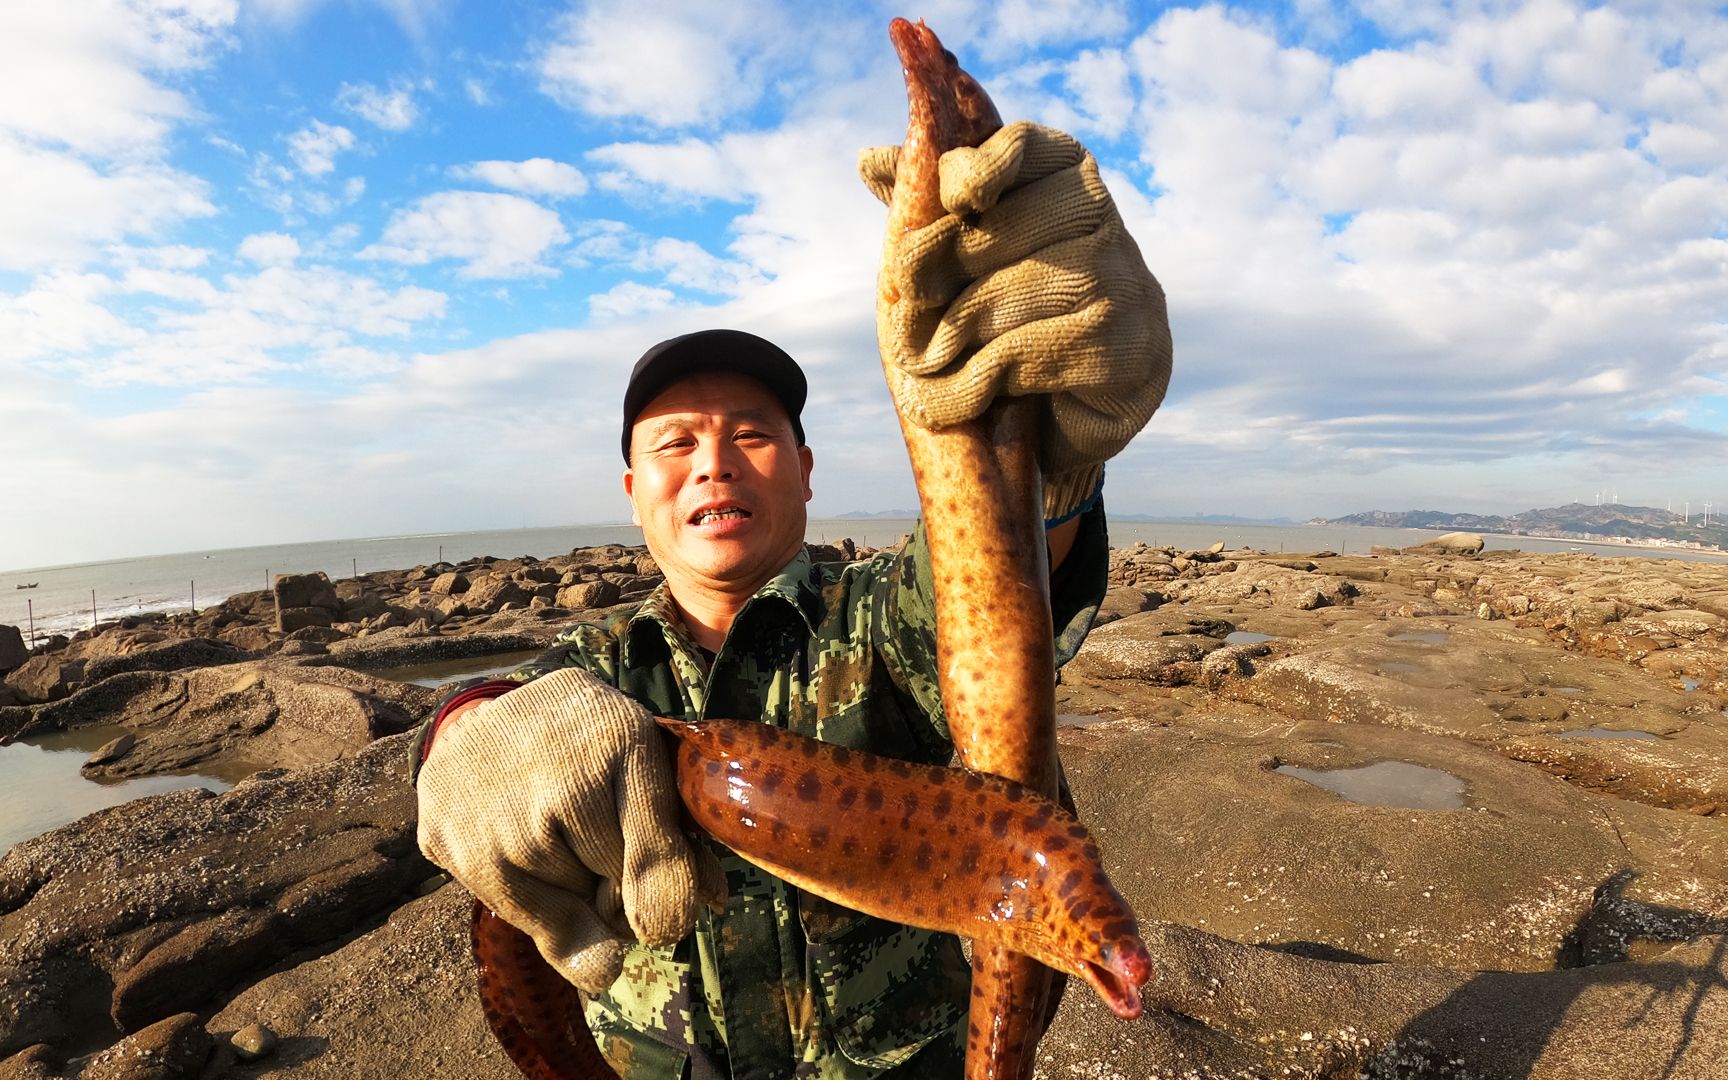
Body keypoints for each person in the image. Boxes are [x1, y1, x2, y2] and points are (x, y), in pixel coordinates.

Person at [414, 121, 1172, 1078]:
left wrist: (1045, 468)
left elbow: (985, 587)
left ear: (807, 472)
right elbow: (469, 723)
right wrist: (462, 740)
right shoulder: (594, 671)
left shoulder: (878, 625)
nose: (715, 464)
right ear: (633, 492)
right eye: (675, 443)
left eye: (751, 436)